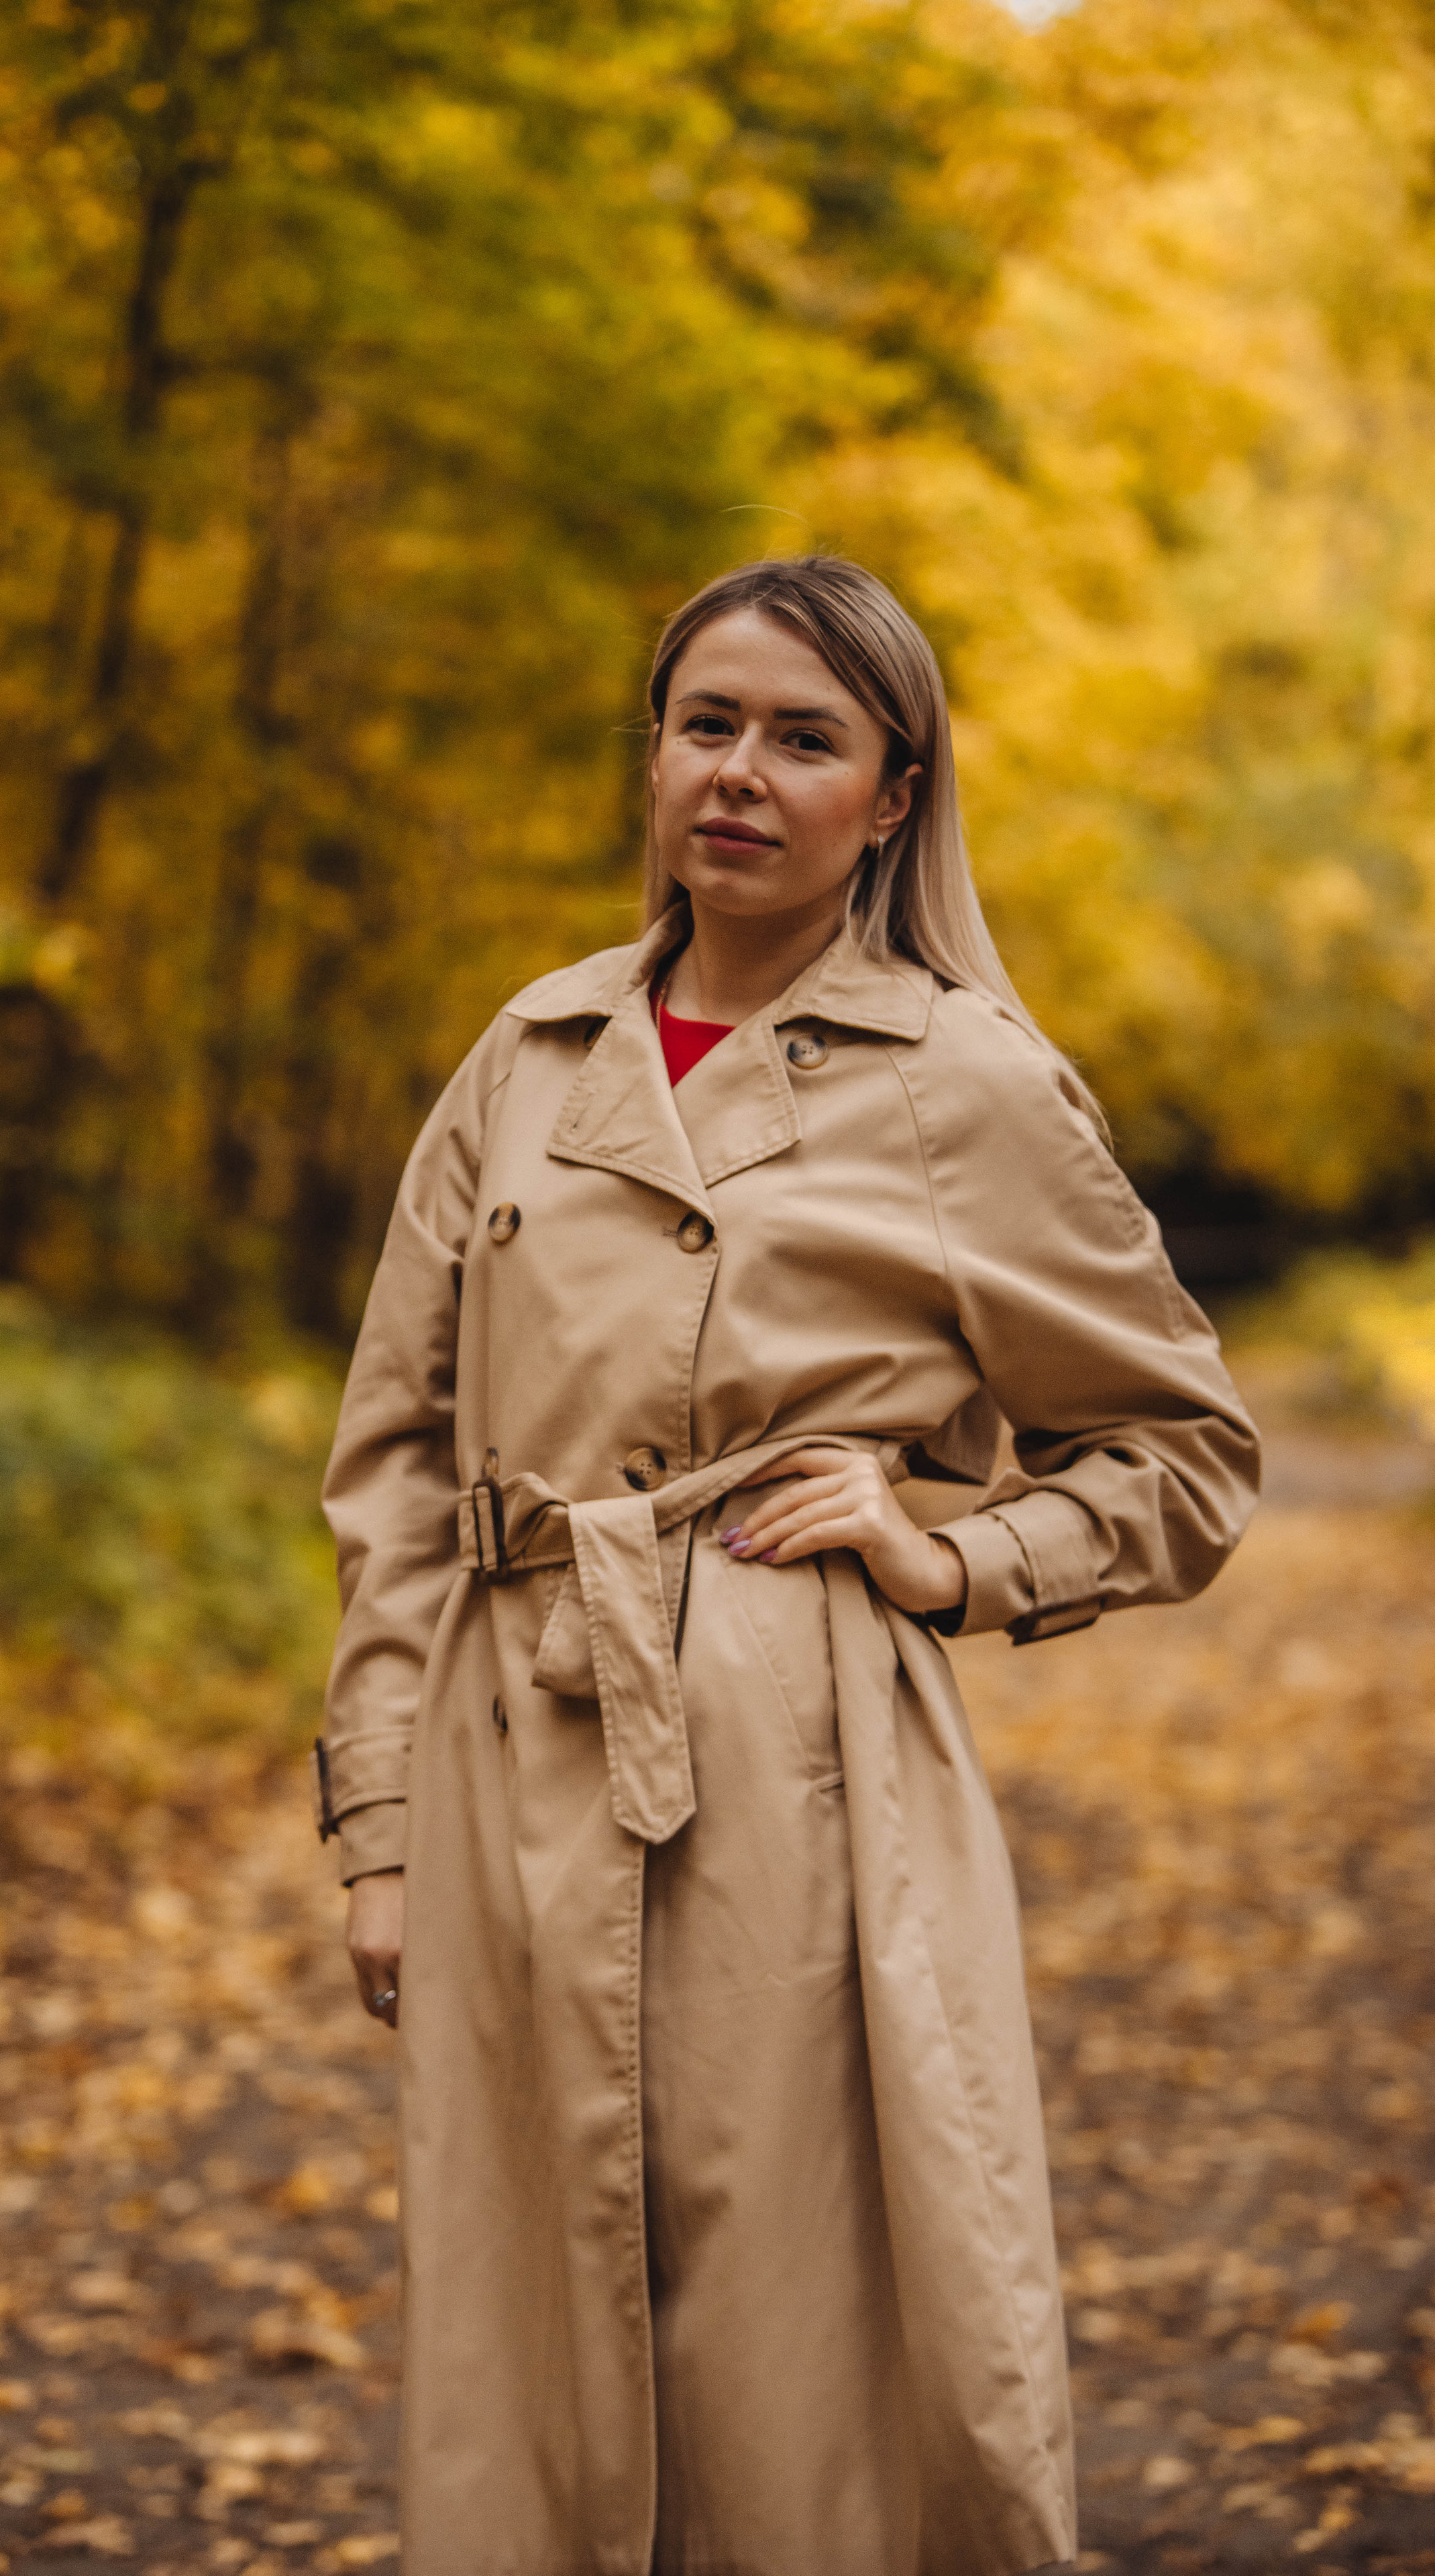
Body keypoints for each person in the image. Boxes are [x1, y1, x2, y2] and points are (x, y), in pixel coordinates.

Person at [314, 555, 1259, 2576]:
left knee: (801, 2333)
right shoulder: (530, 1052)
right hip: (515, 1745)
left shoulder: (967, 1082)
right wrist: (381, 1829)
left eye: (803, 739)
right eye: (706, 724)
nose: (739, 774)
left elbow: (1187, 1454)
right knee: (527, 2332)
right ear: (654, 756)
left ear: (892, 795)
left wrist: (954, 1558)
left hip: (806, 1770)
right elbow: (399, 1464)